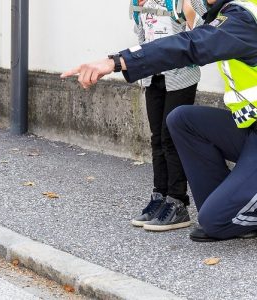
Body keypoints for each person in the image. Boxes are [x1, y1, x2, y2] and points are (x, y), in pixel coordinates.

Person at [61, 0, 257, 242]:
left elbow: (189, 45)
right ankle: (236, 203)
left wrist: (115, 61)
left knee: (215, 222)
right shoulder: (226, 12)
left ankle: (233, 208)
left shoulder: (246, 17)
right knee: (183, 120)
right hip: (249, 130)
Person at [129, 0, 206, 232]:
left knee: (171, 137)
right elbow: (141, 37)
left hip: (180, 76)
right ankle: (160, 196)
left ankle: (177, 201)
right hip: (152, 75)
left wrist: (184, 10)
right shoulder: (136, 1)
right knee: (157, 139)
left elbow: (201, 29)